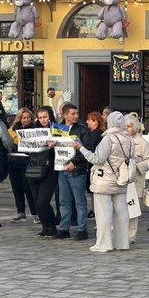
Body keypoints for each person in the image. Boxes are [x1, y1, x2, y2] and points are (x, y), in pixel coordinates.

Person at [76, 111, 133, 252]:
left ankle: (104, 243)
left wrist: (81, 148)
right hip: (121, 179)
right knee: (122, 213)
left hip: (104, 180)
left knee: (103, 214)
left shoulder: (108, 138)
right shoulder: (129, 138)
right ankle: (122, 243)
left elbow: (97, 159)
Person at [49, 103, 92, 240]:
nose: (76, 116)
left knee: (79, 201)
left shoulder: (83, 130)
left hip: (77, 170)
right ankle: (64, 227)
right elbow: (56, 147)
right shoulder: (58, 128)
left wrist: (75, 162)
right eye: (73, 114)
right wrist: (52, 144)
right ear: (65, 114)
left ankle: (82, 229)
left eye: (76, 113)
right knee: (63, 200)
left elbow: (88, 149)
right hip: (62, 168)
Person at [25, 106, 59, 237]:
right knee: (36, 201)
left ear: (50, 116)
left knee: (43, 201)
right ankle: (45, 227)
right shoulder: (33, 129)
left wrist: (55, 144)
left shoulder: (56, 129)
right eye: (40, 117)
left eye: (45, 117)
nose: (43, 120)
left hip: (50, 168)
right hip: (34, 166)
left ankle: (52, 226)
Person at [124, 114, 149, 245]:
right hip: (123, 179)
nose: (127, 129)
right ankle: (120, 232)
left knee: (132, 208)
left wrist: (137, 166)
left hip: (136, 179)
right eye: (125, 126)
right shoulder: (121, 140)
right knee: (120, 207)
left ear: (135, 127)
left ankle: (131, 235)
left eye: (129, 127)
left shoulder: (142, 142)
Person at [8, 107, 39, 224]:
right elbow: (8, 143)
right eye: (23, 118)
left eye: (28, 118)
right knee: (17, 189)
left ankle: (35, 213)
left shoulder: (34, 129)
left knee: (29, 189)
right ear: (19, 118)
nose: (26, 120)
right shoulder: (12, 129)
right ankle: (20, 212)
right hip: (14, 162)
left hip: (27, 162)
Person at [85, 111, 106, 218]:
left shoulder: (95, 135)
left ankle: (95, 211)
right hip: (95, 166)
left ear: (95, 122)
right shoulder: (100, 133)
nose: (87, 122)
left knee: (94, 191)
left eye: (89, 120)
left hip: (94, 166)